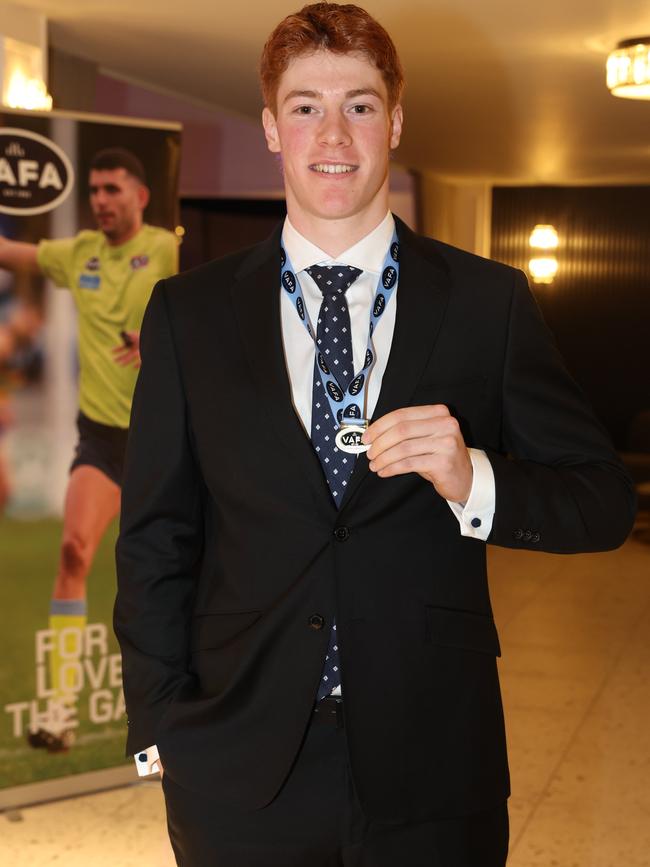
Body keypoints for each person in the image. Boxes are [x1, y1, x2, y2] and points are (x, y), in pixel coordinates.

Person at [114, 5, 635, 866]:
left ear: (393, 120)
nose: (333, 132)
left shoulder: (487, 304)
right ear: (272, 128)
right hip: (238, 765)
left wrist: (476, 479)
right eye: (305, 105)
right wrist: (162, 723)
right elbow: (155, 540)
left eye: (358, 105)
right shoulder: (187, 314)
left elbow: (604, 502)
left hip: (434, 765)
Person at [0, 147, 178, 752]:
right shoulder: (77, 254)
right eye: (94, 191)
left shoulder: (164, 248)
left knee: (163, 580)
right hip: (102, 437)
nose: (100, 199)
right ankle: (58, 714)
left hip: (165, 441)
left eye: (111, 189)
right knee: (73, 553)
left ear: (140, 195)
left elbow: (188, 311)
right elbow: (15, 251)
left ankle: (170, 718)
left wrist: (152, 333)